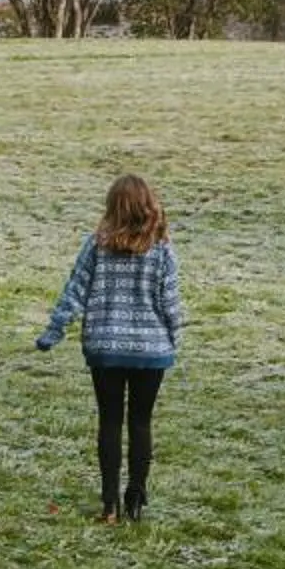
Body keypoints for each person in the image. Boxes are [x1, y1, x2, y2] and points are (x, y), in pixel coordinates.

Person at [33, 173, 184, 523]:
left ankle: (109, 505)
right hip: (151, 350)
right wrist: (173, 338)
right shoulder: (162, 248)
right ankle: (136, 499)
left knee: (110, 421)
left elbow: (75, 291)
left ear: (112, 206)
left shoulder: (97, 244)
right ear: (148, 205)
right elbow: (171, 301)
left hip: (104, 348)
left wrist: (53, 332)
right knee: (141, 422)